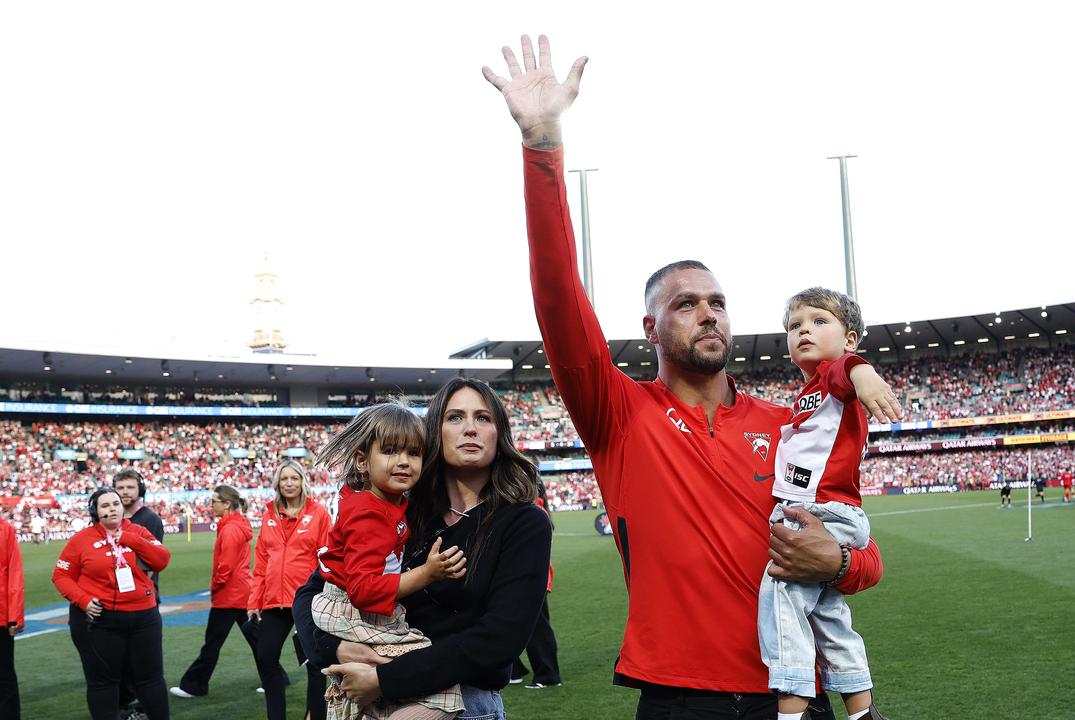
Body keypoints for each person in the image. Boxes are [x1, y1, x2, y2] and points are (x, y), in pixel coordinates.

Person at [482, 35, 897, 719]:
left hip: (798, 696)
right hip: (680, 698)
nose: (707, 314)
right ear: (651, 330)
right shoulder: (617, 414)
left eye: (718, 302)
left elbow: (862, 551)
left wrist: (842, 565)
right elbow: (558, 296)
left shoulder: (787, 424)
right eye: (684, 304)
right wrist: (543, 146)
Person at [305, 378, 553, 720]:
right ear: (435, 431)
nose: (469, 428)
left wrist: (384, 679)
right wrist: (336, 647)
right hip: (368, 692)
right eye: (455, 417)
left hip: (464, 704)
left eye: (483, 418)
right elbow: (313, 592)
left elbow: (500, 639)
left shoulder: (524, 523)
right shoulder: (398, 510)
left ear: (500, 433)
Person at [758, 288, 883, 720]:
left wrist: (863, 373)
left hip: (821, 509)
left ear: (850, 338)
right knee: (828, 614)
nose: (803, 330)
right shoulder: (807, 393)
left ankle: (792, 711)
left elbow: (846, 372)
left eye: (818, 321)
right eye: (794, 326)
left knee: (780, 592)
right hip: (827, 509)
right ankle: (862, 709)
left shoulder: (836, 374)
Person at [311, 402, 466, 719]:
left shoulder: (382, 502)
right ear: (362, 461)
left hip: (362, 612)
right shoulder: (368, 513)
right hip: (356, 612)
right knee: (441, 686)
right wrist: (427, 573)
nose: (404, 462)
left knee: (372, 693)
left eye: (413, 453)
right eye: (391, 451)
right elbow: (363, 590)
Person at [52, 487, 171, 720]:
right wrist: (83, 600)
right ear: (95, 512)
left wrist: (129, 539)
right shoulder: (81, 540)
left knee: (151, 679)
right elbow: (61, 575)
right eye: (104, 506)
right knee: (103, 683)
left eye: (115, 504)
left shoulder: (138, 531)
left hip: (144, 618)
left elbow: (161, 560)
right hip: (102, 620)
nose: (112, 509)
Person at [249, 460, 331, 720]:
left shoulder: (318, 513)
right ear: (277, 483)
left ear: (302, 481)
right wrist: (254, 601)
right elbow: (261, 562)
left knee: (315, 663)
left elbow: (326, 558)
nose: (289, 483)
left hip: (306, 600)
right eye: (284, 479)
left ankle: (315, 715)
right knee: (265, 657)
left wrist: (326, 595)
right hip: (274, 601)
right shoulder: (268, 515)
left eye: (294, 478)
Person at [171, 485, 266, 699]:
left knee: (213, 642)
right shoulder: (235, 525)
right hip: (240, 592)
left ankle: (194, 685)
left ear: (227, 504)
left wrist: (216, 585)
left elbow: (226, 565)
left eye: (214, 501)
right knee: (255, 638)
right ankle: (275, 677)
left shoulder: (231, 528)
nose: (211, 505)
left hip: (230, 594)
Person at [509, 490, 561, 690]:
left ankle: (548, 674)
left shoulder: (535, 511)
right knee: (511, 624)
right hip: (526, 578)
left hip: (532, 579)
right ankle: (515, 670)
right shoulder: (532, 509)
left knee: (537, 629)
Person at [0, 513, 23, 719]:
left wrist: (15, 616)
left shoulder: (5, 529)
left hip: (1, 617)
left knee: (4, 675)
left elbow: (14, 573)